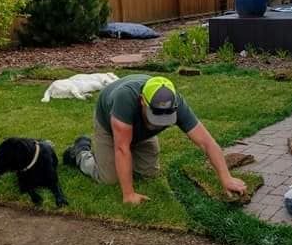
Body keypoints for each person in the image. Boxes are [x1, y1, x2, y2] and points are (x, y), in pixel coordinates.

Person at [63, 74, 247, 205]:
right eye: (156, 115)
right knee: (110, 179)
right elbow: (121, 148)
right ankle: (80, 153)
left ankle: (124, 155)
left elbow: (207, 142)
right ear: (143, 101)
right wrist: (129, 194)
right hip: (111, 124)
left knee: (148, 173)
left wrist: (226, 177)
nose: (160, 123)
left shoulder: (177, 103)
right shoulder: (124, 99)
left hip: (140, 130)